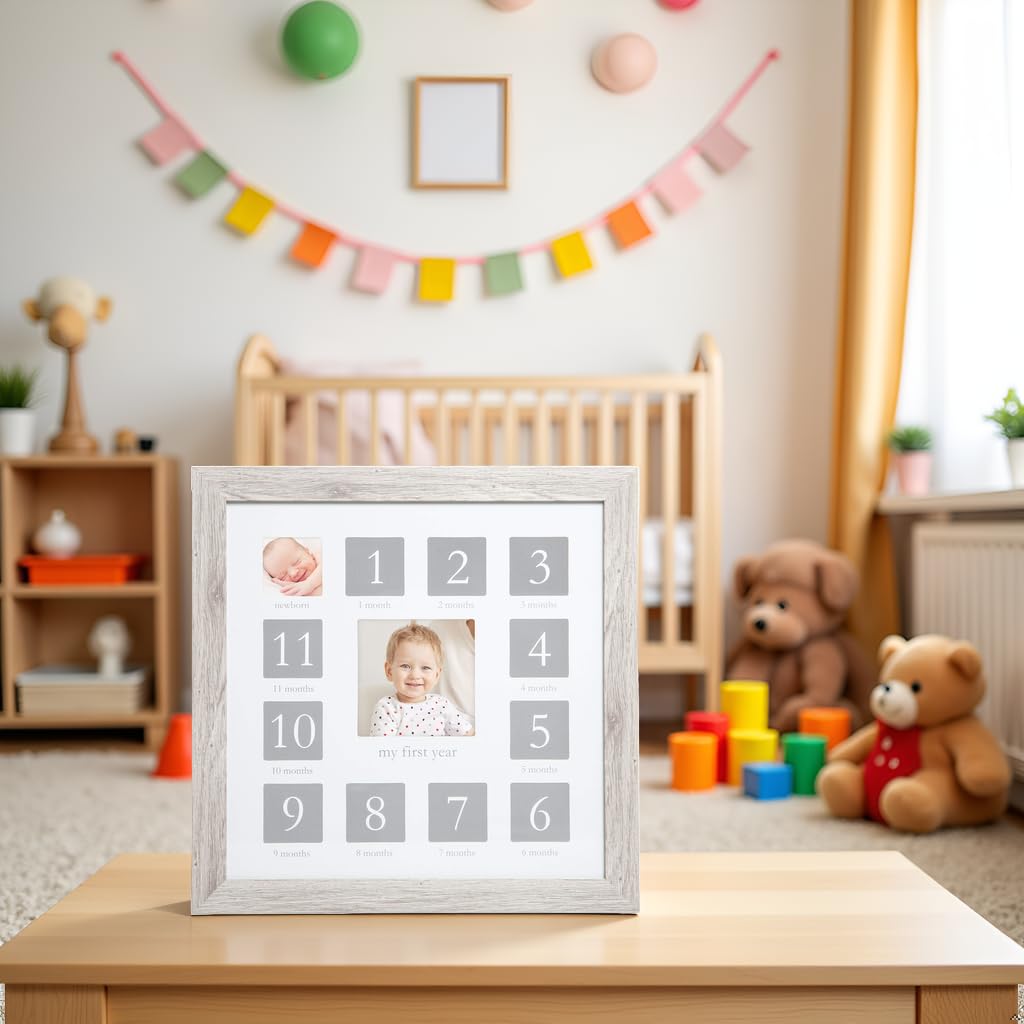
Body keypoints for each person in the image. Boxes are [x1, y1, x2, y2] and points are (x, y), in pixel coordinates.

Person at [370, 623, 474, 737]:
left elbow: (468, 736)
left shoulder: (442, 704)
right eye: (405, 666)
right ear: (389, 671)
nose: (415, 675)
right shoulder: (387, 707)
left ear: (436, 675)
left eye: (425, 668)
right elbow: (381, 750)